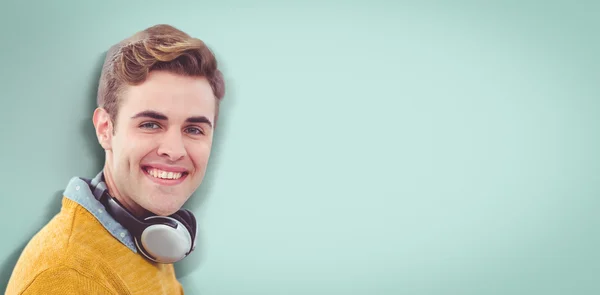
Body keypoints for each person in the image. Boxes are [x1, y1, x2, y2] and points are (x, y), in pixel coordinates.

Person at [5, 24, 226, 294]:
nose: (174, 150)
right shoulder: (68, 276)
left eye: (193, 129)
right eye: (150, 124)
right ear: (105, 129)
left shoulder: (147, 232)